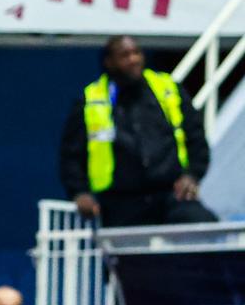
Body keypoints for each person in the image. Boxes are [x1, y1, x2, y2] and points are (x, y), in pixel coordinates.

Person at [59, 35, 217, 227]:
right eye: (124, 55)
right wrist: (79, 192)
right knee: (130, 254)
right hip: (121, 202)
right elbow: (71, 156)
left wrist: (192, 174)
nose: (133, 59)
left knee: (206, 227)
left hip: (171, 194)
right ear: (109, 62)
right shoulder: (90, 101)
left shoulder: (167, 89)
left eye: (136, 53)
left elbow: (196, 137)